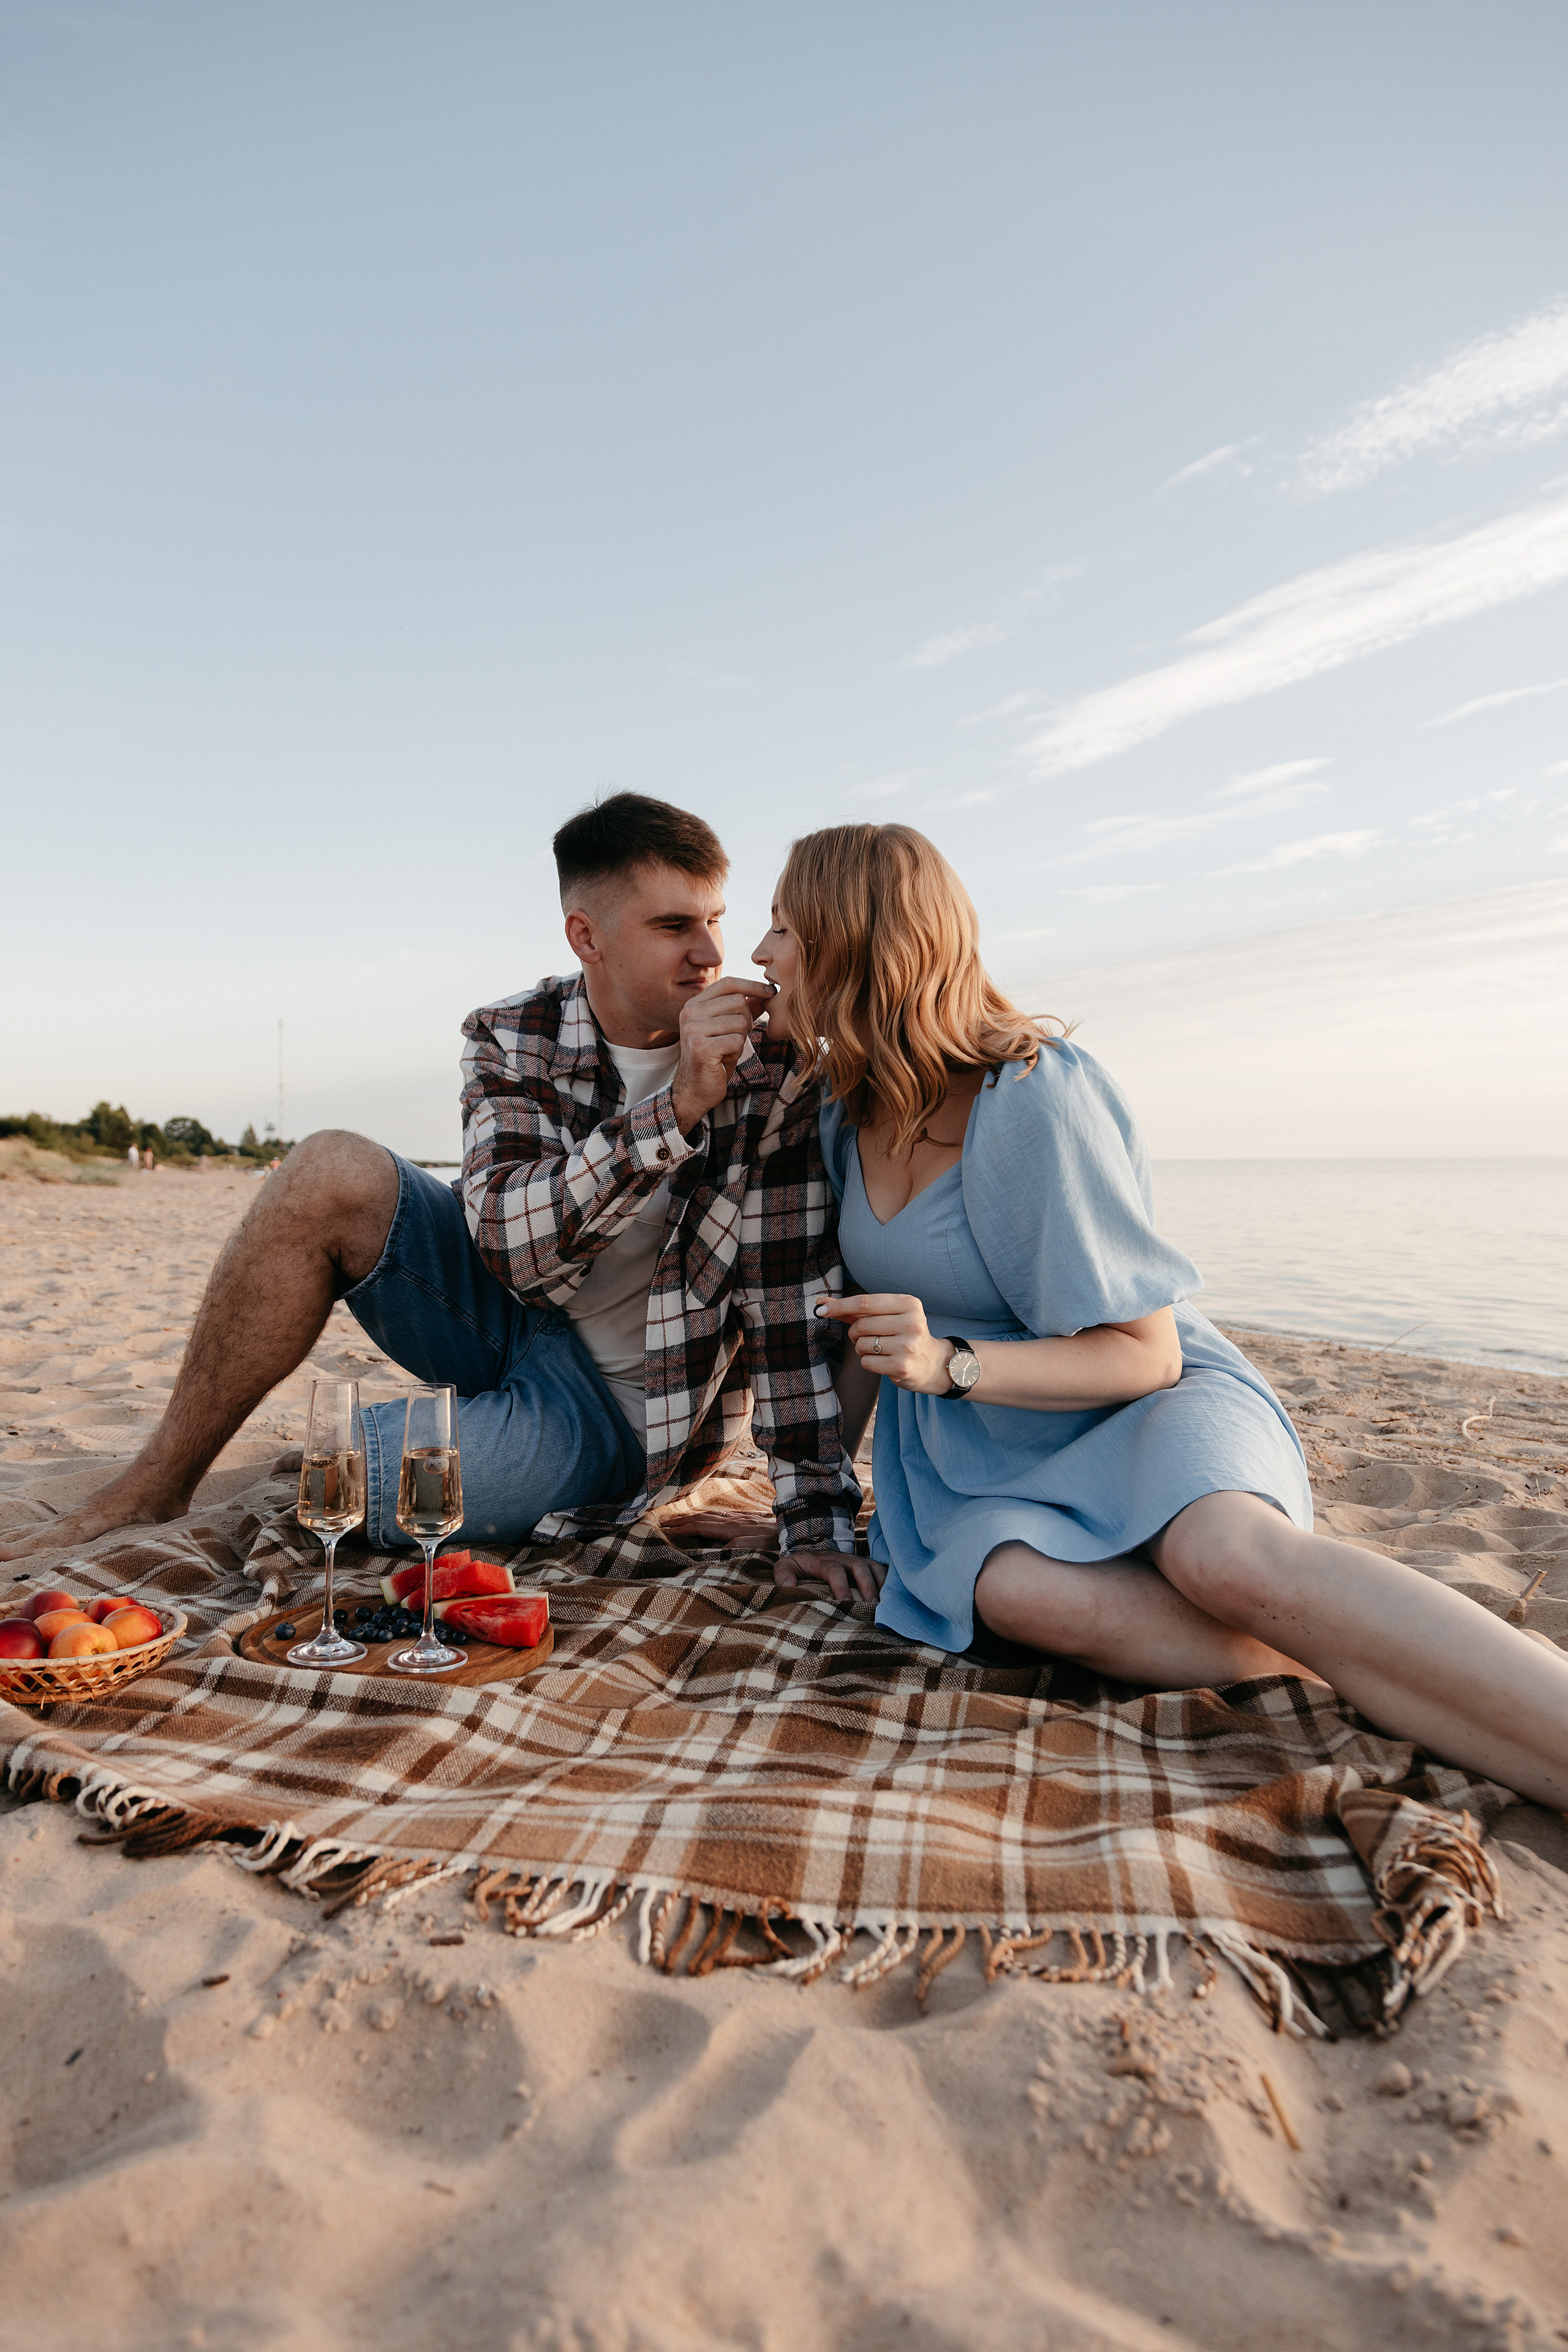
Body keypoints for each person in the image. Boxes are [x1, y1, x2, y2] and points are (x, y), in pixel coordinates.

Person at [753, 823, 1568, 1810]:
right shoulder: (845, 1110)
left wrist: (948, 1365)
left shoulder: (1034, 1095)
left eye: (784, 929)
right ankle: (1362, 1655)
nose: (760, 956)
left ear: (853, 942)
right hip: (974, 1458)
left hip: (1139, 1401)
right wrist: (814, 1510)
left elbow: (1146, 1354)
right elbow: (862, 1330)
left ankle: (1512, 1708)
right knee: (1015, 1597)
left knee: (1221, 1560)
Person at [0, 794, 867, 1584]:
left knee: (357, 1481)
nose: (714, 955)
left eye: (717, 918)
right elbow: (510, 1252)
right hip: (510, 1310)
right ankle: (156, 1483)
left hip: (624, 1407)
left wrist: (814, 1523)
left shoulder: (771, 1071)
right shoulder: (511, 1033)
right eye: (676, 925)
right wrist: (672, 1112)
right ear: (587, 937)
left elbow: (787, 1303)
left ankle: (488, 1437)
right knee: (328, 1165)